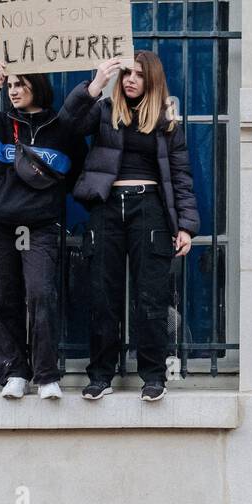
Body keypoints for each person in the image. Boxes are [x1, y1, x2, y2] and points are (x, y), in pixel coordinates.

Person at [0, 60, 93, 400]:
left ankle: (46, 374)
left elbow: (79, 165)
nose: (14, 90)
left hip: (42, 224)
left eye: (20, 84)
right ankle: (14, 372)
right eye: (10, 85)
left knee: (41, 294)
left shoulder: (60, 128)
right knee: (2, 298)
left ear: (37, 85)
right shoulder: (1, 124)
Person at [73, 51, 199, 402]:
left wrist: (186, 225)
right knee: (102, 296)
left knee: (151, 299)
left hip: (151, 210)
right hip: (107, 208)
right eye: (126, 74)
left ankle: (153, 376)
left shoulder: (166, 121)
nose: (130, 80)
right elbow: (70, 124)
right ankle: (100, 376)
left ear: (152, 81)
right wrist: (97, 83)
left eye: (139, 75)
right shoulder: (102, 112)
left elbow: (181, 176)